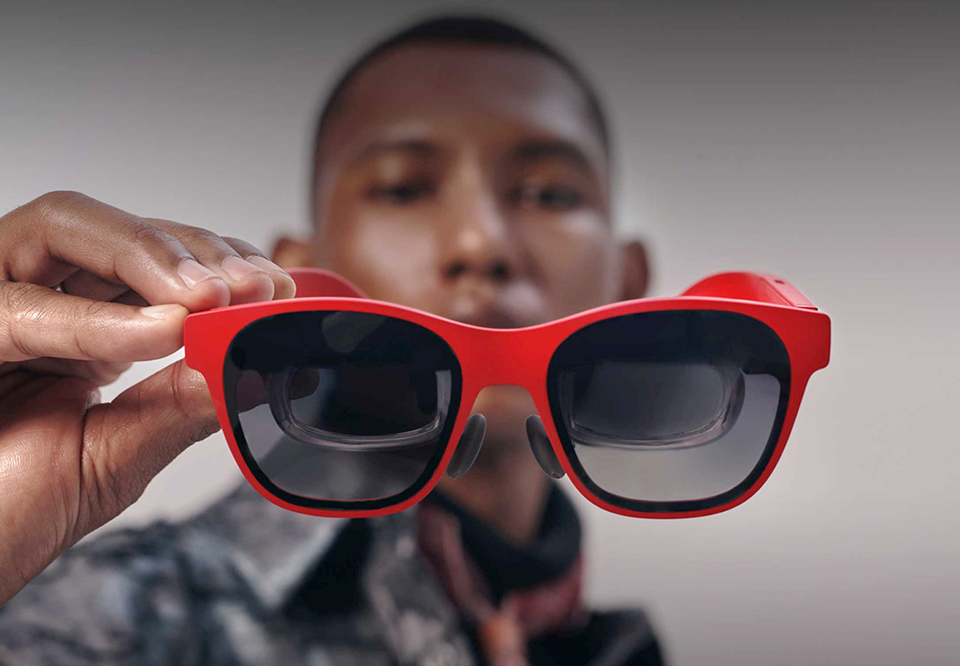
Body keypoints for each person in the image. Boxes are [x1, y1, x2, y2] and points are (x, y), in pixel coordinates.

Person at [0, 15, 663, 666]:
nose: (481, 243)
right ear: (297, 278)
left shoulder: (625, 649)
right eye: (403, 189)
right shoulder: (120, 623)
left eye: (549, 195)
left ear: (629, 282)